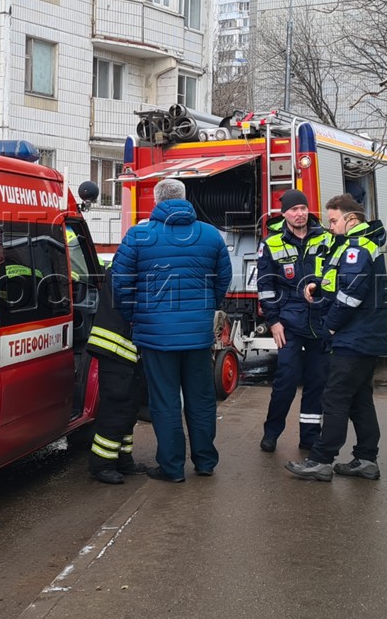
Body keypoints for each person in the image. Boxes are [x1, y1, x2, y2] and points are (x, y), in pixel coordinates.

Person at [112, 178, 232, 482]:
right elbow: (223, 280)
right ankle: (205, 462)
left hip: (155, 336)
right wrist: (206, 308)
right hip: (197, 335)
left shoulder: (138, 235)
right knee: (202, 399)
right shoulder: (210, 235)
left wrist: (135, 317)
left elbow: (120, 284)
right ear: (184, 198)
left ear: (156, 201)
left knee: (165, 401)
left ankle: (172, 467)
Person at [285, 194, 387, 482]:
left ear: (351, 219)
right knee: (358, 398)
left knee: (335, 397)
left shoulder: (356, 248)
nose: (330, 226)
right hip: (364, 336)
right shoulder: (354, 244)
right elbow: (341, 282)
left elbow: (351, 295)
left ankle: (321, 460)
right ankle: (366, 459)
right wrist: (318, 287)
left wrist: (330, 325)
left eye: (333, 220)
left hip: (354, 336)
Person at [256, 188, 331, 454]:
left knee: (316, 382)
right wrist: (274, 321)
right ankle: (271, 433)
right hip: (288, 323)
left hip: (320, 322)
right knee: (285, 381)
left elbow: (336, 274)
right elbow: (265, 285)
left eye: (302, 208)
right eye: (293, 210)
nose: (299, 214)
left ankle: (309, 437)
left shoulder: (327, 238)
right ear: (284, 214)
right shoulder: (271, 243)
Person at [83, 266, 153, 485]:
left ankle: (123, 459)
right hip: (116, 349)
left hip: (124, 350)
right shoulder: (126, 271)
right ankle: (102, 464)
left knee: (128, 409)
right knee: (116, 407)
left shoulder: (130, 267)